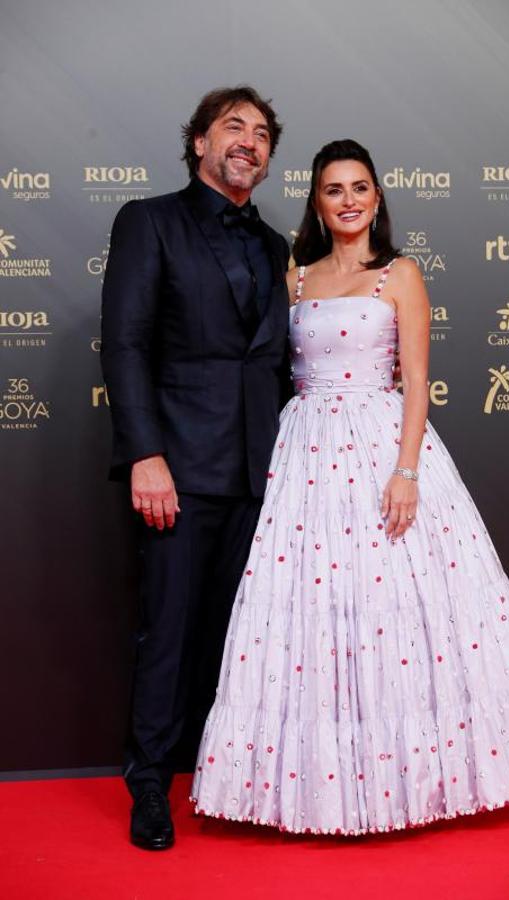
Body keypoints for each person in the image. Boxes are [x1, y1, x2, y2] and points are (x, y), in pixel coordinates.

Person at [190, 139, 509, 835]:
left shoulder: (400, 274)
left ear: (376, 198)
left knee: (393, 609)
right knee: (310, 617)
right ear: (317, 200)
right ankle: (327, 788)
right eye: (333, 189)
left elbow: (418, 383)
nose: (347, 200)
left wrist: (405, 472)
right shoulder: (296, 278)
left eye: (359, 188)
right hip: (304, 452)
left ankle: (409, 784)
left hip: (380, 445)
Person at [101, 86, 291, 850]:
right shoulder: (150, 221)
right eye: (233, 127)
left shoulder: (277, 246)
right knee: (169, 635)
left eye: (263, 133)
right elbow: (125, 344)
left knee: (240, 640)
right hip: (177, 469)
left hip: (262, 475)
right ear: (200, 142)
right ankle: (150, 787)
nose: (248, 141)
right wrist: (146, 455)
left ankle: (229, 782)